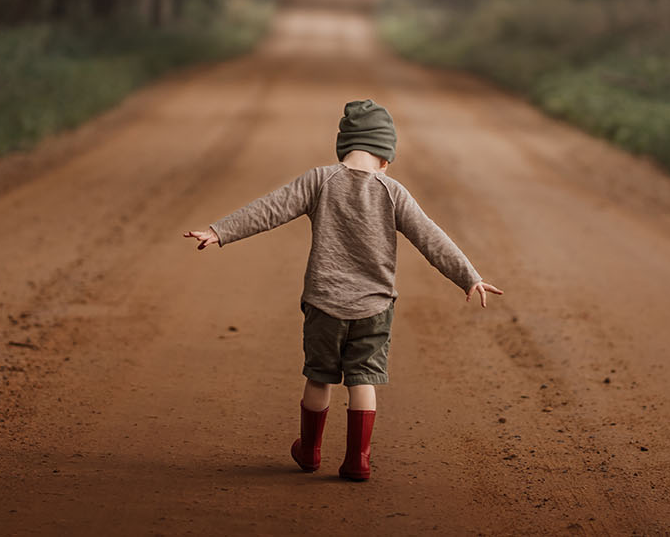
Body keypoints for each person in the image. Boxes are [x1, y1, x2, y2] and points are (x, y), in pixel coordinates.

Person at [184, 98, 503, 481]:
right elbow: (431, 237)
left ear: (344, 147)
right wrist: (469, 276)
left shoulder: (319, 180)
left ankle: (310, 452)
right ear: (385, 156)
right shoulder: (392, 191)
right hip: (374, 307)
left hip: (324, 303)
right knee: (363, 379)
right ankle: (358, 460)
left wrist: (220, 232)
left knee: (319, 376)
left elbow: (269, 208)